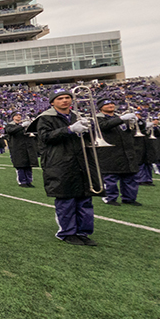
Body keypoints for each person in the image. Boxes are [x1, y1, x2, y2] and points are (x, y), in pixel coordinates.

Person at [28, 88, 97, 246]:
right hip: (59, 161)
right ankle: (67, 232)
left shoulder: (76, 116)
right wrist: (69, 129)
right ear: (52, 102)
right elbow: (45, 137)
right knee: (66, 199)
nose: (65, 100)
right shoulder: (45, 118)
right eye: (60, 98)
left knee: (84, 198)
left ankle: (83, 232)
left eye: (67, 97)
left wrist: (88, 129)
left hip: (80, 160)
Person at [95, 99, 141, 206]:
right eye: (106, 104)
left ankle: (129, 198)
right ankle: (110, 198)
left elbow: (131, 132)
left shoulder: (119, 117)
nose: (110, 105)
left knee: (129, 176)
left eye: (112, 104)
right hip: (109, 152)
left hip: (126, 151)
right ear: (101, 107)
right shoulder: (97, 118)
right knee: (110, 177)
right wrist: (121, 119)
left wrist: (136, 123)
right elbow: (104, 126)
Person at [6, 113, 38, 187]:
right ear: (13, 117)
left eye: (20, 115)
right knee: (20, 165)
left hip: (27, 147)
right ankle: (22, 181)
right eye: (17, 115)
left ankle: (29, 181)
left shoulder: (24, 126)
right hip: (17, 148)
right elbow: (10, 131)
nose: (19, 116)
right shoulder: (10, 125)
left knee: (28, 165)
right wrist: (22, 126)